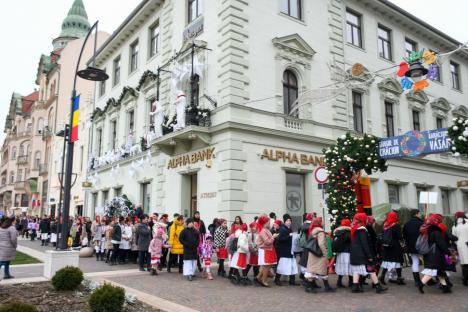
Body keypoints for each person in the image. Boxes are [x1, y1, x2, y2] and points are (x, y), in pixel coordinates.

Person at [350, 213, 387, 294]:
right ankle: (378, 287)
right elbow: (365, 244)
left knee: (356, 270)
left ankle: (355, 286)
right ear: (362, 220)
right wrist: (369, 255)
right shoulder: (362, 230)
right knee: (371, 270)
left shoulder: (354, 228)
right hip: (363, 255)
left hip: (355, 254)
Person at [418, 214, 451, 293]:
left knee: (440, 271)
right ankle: (421, 284)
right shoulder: (436, 231)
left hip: (429, 253)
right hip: (435, 254)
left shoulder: (426, 229)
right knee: (431, 271)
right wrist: (447, 251)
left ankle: (445, 287)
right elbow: (441, 243)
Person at [304, 217, 334, 293]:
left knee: (313, 270)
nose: (323, 222)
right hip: (319, 254)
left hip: (313, 253)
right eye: (322, 221)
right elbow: (321, 244)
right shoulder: (320, 231)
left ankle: (310, 286)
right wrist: (325, 253)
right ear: (319, 223)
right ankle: (311, 287)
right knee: (320, 269)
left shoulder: (313, 230)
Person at [379, 211, 405, 285]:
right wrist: (403, 242)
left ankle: (382, 276)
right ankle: (399, 278)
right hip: (395, 247)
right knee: (397, 262)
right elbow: (399, 237)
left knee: (387, 263)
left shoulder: (385, 225)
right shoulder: (396, 225)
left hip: (386, 246)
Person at [275, 214, 299, 286]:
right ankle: (277, 279)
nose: (289, 222)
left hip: (290, 250)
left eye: (290, 220)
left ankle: (292, 280)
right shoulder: (282, 229)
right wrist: (289, 236)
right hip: (285, 251)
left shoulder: (289, 228)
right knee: (282, 266)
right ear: (284, 221)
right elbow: (280, 239)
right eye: (287, 220)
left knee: (292, 265)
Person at [403, 209, 424, 286]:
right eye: (419, 213)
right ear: (416, 214)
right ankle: (428, 279)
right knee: (426, 263)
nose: (420, 215)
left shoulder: (406, 224)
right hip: (422, 246)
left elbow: (404, 236)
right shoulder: (421, 223)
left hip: (411, 246)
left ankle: (417, 281)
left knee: (415, 262)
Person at [256, 214, 278, 287]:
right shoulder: (263, 231)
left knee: (268, 265)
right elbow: (267, 242)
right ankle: (263, 280)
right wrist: (273, 237)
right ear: (264, 223)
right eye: (268, 222)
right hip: (265, 250)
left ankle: (259, 277)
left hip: (268, 249)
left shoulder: (266, 230)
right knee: (266, 266)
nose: (269, 223)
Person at [333, 219, 352, 288]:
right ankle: (351, 282)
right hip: (348, 251)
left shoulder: (338, 232)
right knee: (350, 267)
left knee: (341, 266)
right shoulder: (348, 232)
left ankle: (339, 281)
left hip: (340, 252)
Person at [452, 211, 468, 286]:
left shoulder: (454, 226)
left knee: (464, 263)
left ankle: (465, 279)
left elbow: (454, 238)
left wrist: (457, 244)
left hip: (460, 245)